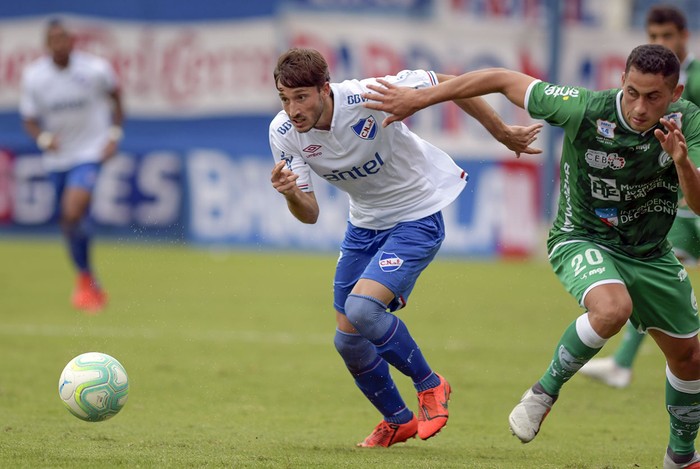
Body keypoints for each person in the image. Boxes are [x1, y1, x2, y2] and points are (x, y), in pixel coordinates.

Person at [361, 44, 700, 468]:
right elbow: (503, 79)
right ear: (621, 82)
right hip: (584, 239)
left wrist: (682, 163)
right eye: (632, 92)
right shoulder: (584, 108)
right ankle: (544, 392)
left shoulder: (689, 123)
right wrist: (419, 98)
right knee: (613, 309)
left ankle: (681, 457)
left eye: (653, 97)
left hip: (651, 254)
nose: (638, 107)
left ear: (675, 92)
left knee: (690, 358)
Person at [268, 48, 542, 448]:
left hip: (417, 213)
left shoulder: (368, 96)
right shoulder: (283, 133)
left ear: (325, 89)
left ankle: (431, 385)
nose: (293, 110)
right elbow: (308, 214)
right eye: (284, 99)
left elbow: (453, 84)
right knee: (347, 340)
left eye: (301, 97)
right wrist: (291, 194)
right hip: (364, 224)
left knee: (363, 309)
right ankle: (397, 420)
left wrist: (500, 132)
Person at [580, 3, 700, 389]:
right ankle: (623, 364)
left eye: (668, 36)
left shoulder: (693, 84)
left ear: (685, 36)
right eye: (653, 36)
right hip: (682, 202)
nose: (661, 42)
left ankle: (625, 364)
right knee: (658, 278)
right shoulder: (652, 93)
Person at [19, 19, 124, 314]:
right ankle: (87, 279)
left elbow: (117, 99)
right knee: (68, 222)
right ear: (47, 45)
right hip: (57, 157)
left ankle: (85, 281)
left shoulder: (94, 70)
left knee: (72, 210)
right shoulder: (34, 77)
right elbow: (28, 117)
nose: (61, 44)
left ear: (72, 42)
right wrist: (42, 138)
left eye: (64, 39)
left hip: (89, 152)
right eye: (55, 40)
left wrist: (114, 136)